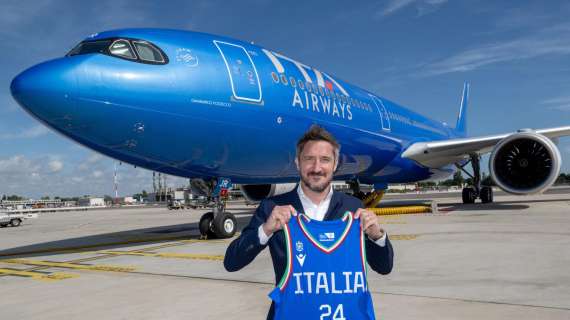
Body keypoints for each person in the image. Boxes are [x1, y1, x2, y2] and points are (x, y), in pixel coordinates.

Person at [224, 125, 394, 320]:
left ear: (335, 164)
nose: (316, 168)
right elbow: (232, 262)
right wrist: (265, 230)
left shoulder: (353, 208)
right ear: (298, 162)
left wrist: (376, 236)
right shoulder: (273, 207)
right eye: (309, 159)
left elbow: (384, 267)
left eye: (325, 160)